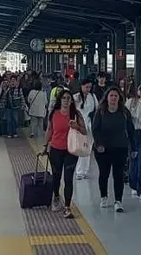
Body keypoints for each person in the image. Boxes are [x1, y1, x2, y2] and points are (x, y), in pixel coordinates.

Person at [44, 89, 87, 219]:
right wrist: (45, 146)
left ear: (72, 101)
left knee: (68, 178)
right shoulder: (54, 114)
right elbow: (49, 130)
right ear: (60, 100)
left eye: (69, 98)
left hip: (71, 150)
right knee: (56, 176)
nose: (66, 100)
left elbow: (84, 131)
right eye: (64, 98)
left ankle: (67, 206)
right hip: (56, 149)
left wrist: (76, 126)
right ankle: (56, 196)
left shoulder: (76, 114)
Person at [92, 86, 136, 213]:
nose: (113, 98)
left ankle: (118, 201)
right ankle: (104, 197)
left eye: (116, 96)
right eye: (111, 95)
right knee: (104, 173)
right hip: (103, 149)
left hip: (120, 147)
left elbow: (131, 129)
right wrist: (98, 144)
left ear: (119, 98)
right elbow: (95, 129)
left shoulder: (124, 112)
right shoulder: (100, 111)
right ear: (107, 97)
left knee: (118, 175)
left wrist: (133, 147)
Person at [73, 79, 98, 180]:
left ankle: (85, 170)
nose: (88, 89)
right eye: (86, 87)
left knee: (87, 148)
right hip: (79, 126)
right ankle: (79, 171)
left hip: (90, 126)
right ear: (81, 86)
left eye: (90, 87)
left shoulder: (93, 97)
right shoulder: (76, 97)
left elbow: (97, 109)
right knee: (81, 148)